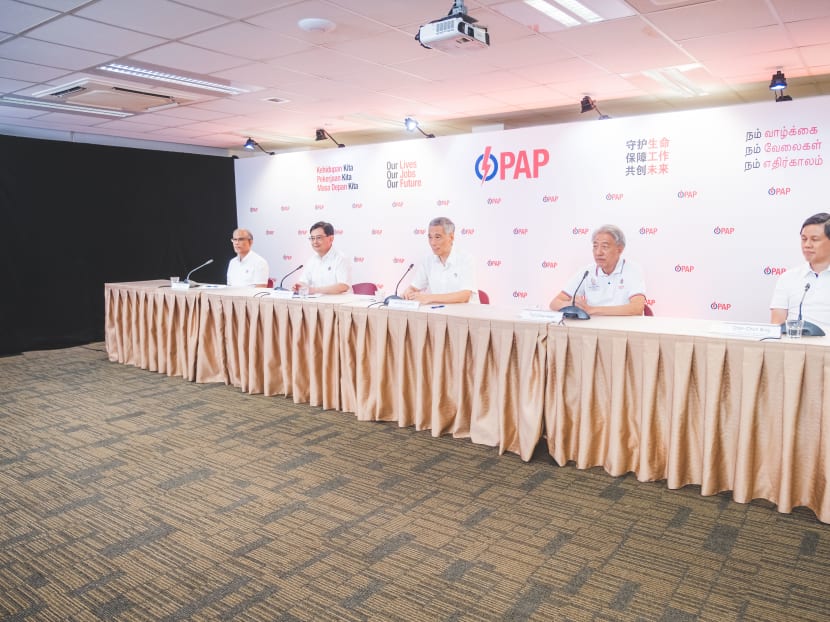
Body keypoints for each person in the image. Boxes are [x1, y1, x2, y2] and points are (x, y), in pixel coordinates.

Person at [549, 224, 646, 316]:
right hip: (594, 328)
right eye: (595, 246)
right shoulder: (586, 272)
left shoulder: (632, 270)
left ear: (619, 249)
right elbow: (554, 303)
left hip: (623, 329)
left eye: (605, 247)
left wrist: (591, 310)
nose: (598, 252)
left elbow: (637, 308)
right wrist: (571, 305)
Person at [770, 212, 830, 328]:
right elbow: (776, 326)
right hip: (794, 343)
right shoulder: (788, 278)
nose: (807, 245)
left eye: (815, 239)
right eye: (804, 239)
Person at [403, 216, 475, 304]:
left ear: (451, 237)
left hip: (465, 314)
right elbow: (414, 287)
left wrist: (429, 298)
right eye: (430, 237)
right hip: (440, 313)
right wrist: (409, 291)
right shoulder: (428, 260)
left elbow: (465, 295)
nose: (433, 243)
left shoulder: (465, 258)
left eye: (437, 237)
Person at [293, 221, 351, 295]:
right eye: (312, 238)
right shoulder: (312, 260)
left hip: (338, 304)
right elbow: (304, 281)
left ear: (331, 239)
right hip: (316, 303)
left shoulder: (341, 258)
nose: (315, 242)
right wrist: (298, 286)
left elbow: (343, 286)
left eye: (319, 238)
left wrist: (313, 290)